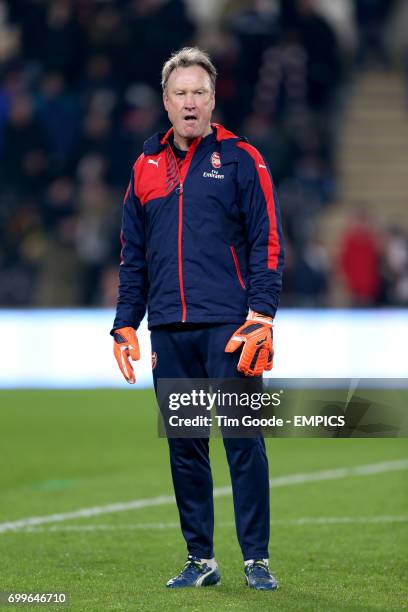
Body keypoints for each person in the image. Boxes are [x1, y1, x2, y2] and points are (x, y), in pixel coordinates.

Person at [111, 47, 284, 590]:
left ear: (213, 100)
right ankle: (200, 559)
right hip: (169, 328)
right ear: (165, 102)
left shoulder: (241, 158)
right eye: (180, 93)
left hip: (230, 327)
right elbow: (132, 256)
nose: (190, 103)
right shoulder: (144, 166)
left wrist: (262, 314)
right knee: (185, 448)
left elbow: (268, 242)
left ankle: (256, 559)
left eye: (199, 93)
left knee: (242, 441)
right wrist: (124, 321)